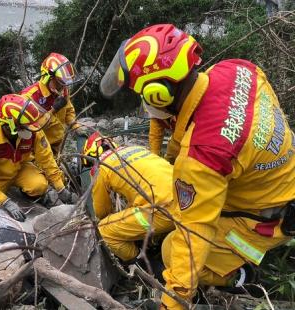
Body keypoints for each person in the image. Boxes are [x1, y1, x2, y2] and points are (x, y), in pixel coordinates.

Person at [100, 23, 295, 309]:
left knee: (170, 249)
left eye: (142, 94)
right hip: (276, 181)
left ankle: (240, 275)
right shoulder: (238, 69)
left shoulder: (205, 154)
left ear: (158, 94)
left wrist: (174, 302)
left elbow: (193, 238)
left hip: (264, 221)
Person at [0, 94, 77, 225]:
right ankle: (4, 195)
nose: (29, 129)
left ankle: (28, 195)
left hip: (21, 168)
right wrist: (5, 201)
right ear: (8, 125)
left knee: (39, 186)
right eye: (24, 126)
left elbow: (47, 159)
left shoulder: (33, 130)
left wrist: (60, 188)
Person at [82, 132, 177, 262]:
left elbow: (102, 210)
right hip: (188, 199)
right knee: (134, 210)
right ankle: (156, 239)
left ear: (91, 155)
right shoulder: (137, 149)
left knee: (104, 230)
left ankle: (142, 263)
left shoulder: (101, 168)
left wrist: (112, 222)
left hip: (163, 211)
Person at [20, 53, 85, 154]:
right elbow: (30, 130)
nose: (63, 87)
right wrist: (53, 110)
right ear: (48, 77)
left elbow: (68, 111)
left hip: (57, 145)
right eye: (59, 82)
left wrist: (75, 127)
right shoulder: (29, 97)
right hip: (37, 150)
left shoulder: (62, 89)